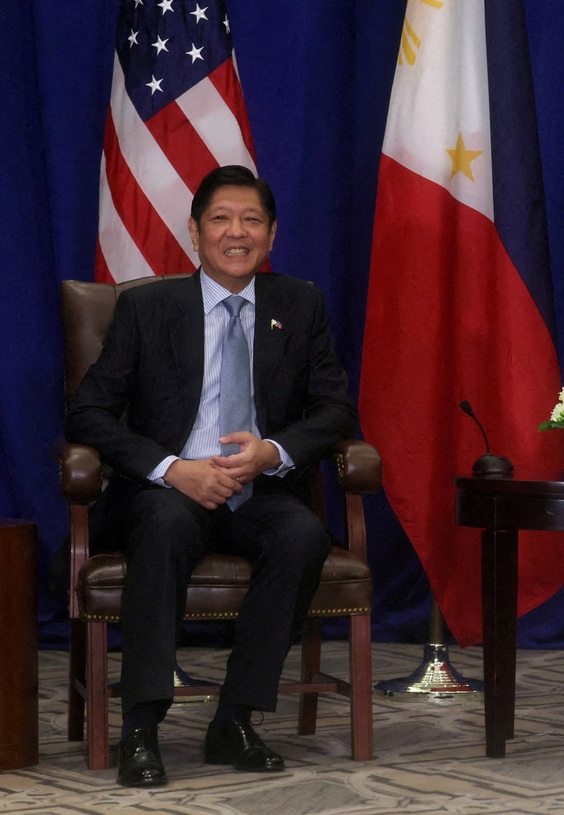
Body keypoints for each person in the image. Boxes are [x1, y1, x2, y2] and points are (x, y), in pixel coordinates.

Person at [66, 165, 357, 788]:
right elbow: (88, 412)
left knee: (302, 535)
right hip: (166, 492)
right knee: (164, 525)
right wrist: (173, 469)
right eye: (221, 219)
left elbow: (335, 409)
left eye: (252, 220)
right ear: (195, 233)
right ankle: (141, 728)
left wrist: (271, 452)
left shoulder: (299, 305)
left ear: (271, 234)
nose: (236, 232)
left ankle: (235, 719)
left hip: (259, 491)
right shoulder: (146, 308)